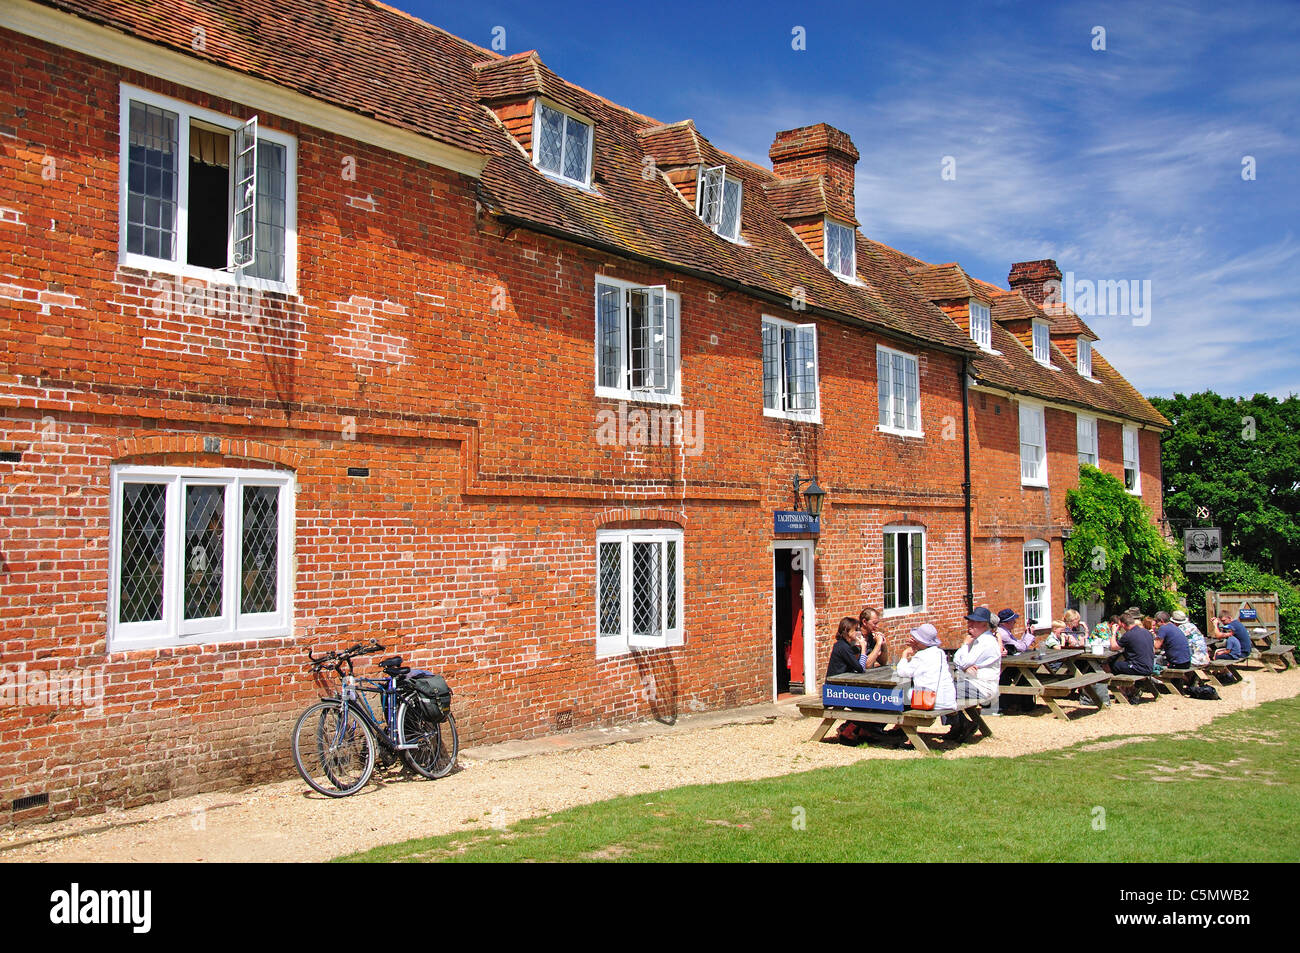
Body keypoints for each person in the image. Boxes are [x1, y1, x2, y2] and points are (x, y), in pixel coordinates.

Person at [895, 623, 956, 712]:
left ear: (921, 641)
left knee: (902, 694)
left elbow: (902, 672)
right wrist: (917, 649)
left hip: (931, 701)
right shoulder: (940, 653)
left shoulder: (920, 656)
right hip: (948, 700)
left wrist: (904, 654)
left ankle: (907, 720)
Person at [954, 607, 1002, 706]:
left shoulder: (986, 642)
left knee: (944, 689)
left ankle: (957, 717)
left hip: (982, 687)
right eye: (969, 621)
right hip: (971, 683)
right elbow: (957, 660)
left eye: (974, 622)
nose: (969, 625)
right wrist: (965, 668)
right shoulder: (977, 640)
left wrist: (965, 645)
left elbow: (962, 663)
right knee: (943, 689)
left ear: (984, 624)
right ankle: (957, 716)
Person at [1110, 610, 1155, 700]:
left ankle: (1122, 694)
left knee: (1110, 666)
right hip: (1150, 667)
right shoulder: (1147, 632)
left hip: (1139, 668)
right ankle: (1129, 690)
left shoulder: (1129, 635)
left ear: (1123, 624)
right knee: (1123, 663)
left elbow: (1113, 647)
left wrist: (1113, 632)